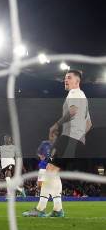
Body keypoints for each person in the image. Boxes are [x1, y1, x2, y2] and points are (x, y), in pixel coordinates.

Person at [23, 70, 91, 218]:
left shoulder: (74, 93)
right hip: (75, 139)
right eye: (65, 78)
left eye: (69, 78)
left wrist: (56, 124)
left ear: (77, 81)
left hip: (69, 137)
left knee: (49, 170)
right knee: (53, 172)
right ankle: (57, 209)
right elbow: (89, 123)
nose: (65, 80)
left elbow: (72, 111)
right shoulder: (83, 97)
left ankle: (40, 209)